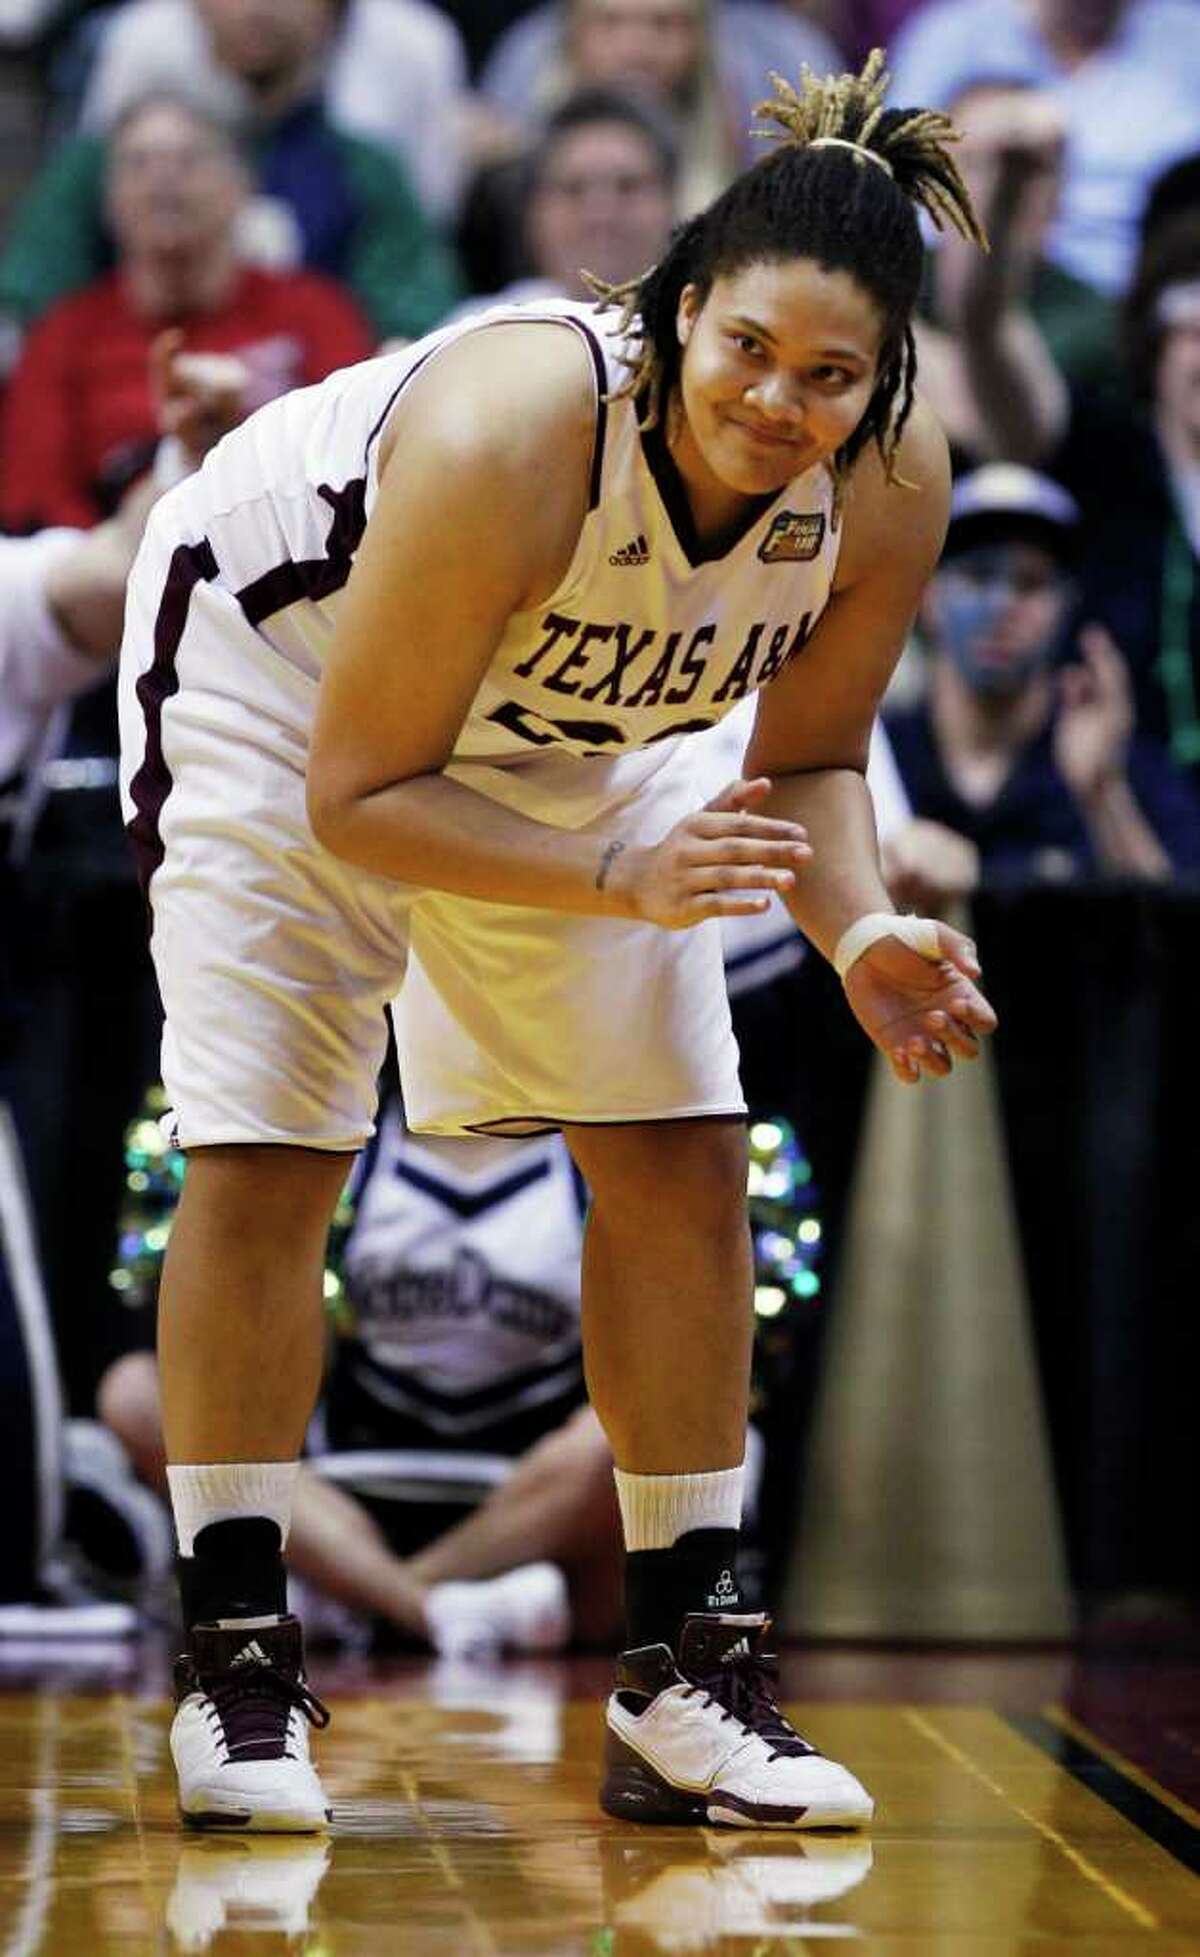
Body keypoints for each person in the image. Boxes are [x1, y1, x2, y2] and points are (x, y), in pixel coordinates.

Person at [117, 50, 997, 1835]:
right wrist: (618, 883)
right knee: (272, 1144)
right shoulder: (516, 423)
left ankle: (685, 1666)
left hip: (571, 735)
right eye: (746, 348)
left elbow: (811, 760)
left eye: (831, 376)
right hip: (284, 688)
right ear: (678, 310)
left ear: (885, 379)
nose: (779, 400)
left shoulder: (889, 477)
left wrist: (861, 931)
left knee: (679, 1147)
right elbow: (362, 796)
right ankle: (233, 1660)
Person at [0, 92, 373, 531]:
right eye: (138, 163)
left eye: (189, 160)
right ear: (109, 201)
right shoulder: (65, 333)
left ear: (241, 188)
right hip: (111, 565)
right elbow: (34, 501)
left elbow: (355, 463)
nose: (162, 180)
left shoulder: (317, 313)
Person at [0, 5, 459, 351]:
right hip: (123, 410)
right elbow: (32, 305)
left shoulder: (365, 171)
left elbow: (412, 330)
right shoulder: (112, 160)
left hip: (312, 412)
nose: (258, 8)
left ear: (332, 15)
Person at [882, 464, 1200, 901]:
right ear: (928, 597)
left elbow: (1177, 948)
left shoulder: (1120, 764)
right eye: (977, 576)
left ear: (1066, 606)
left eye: (1029, 583)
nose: (1001, 606)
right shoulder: (874, 758)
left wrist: (1103, 795)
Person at [888, 0, 1200, 298]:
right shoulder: (951, 37)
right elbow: (891, 187)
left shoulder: (1186, 39)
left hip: (1131, 299)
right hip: (952, 281)